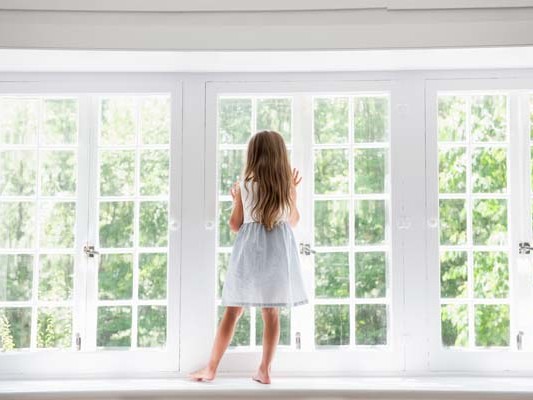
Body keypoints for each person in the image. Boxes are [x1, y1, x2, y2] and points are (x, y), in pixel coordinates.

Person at [189, 130, 309, 384]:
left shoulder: (245, 184)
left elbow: (235, 225)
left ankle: (211, 368)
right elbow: (294, 221)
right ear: (280, 155)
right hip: (278, 256)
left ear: (253, 154)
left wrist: (236, 200)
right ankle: (264, 370)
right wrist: (293, 195)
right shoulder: (286, 186)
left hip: (250, 254)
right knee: (271, 314)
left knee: (233, 311)